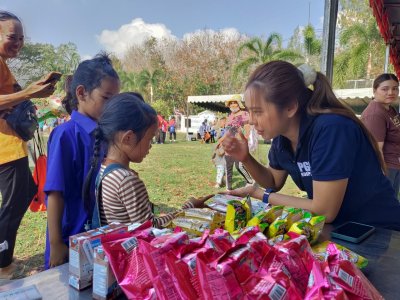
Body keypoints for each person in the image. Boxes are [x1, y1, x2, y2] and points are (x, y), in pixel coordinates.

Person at [223, 61, 400, 230]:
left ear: (290, 107)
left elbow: (324, 211)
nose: (251, 121)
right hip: (340, 229)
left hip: (379, 232)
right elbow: (273, 181)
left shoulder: (331, 129)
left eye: (258, 111)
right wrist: (245, 158)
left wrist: (261, 195)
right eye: (249, 111)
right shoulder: (282, 138)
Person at [83, 93, 213, 227]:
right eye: (150, 138)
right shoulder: (126, 180)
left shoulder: (103, 168)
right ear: (128, 138)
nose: (151, 145)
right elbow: (151, 227)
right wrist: (188, 207)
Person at [44, 53, 120, 269]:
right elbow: (55, 193)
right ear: (81, 93)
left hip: (98, 237)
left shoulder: (105, 134)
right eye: (106, 98)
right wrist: (56, 243)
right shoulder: (65, 135)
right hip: (70, 238)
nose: (111, 106)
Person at [0, 11, 57, 279]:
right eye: (12, 36)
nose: (19, 43)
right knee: (11, 206)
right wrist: (28, 93)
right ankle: (3, 266)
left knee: (25, 194)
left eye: (22, 38)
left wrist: (36, 91)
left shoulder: (3, 65)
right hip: (4, 150)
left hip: (13, 146)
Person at [361, 74, 400, 199]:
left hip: (394, 165)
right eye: (385, 89)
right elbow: (376, 149)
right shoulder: (375, 114)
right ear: (374, 90)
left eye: (395, 88)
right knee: (385, 206)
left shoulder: (390, 109)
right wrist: (382, 175)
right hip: (386, 169)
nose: (391, 92)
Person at [224, 94, 253, 190]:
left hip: (239, 144)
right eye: (231, 103)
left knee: (239, 166)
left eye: (234, 103)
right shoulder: (230, 115)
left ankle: (250, 181)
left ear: (239, 104)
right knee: (228, 166)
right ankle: (229, 188)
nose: (232, 105)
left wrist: (245, 141)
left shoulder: (244, 114)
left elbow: (247, 128)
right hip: (229, 144)